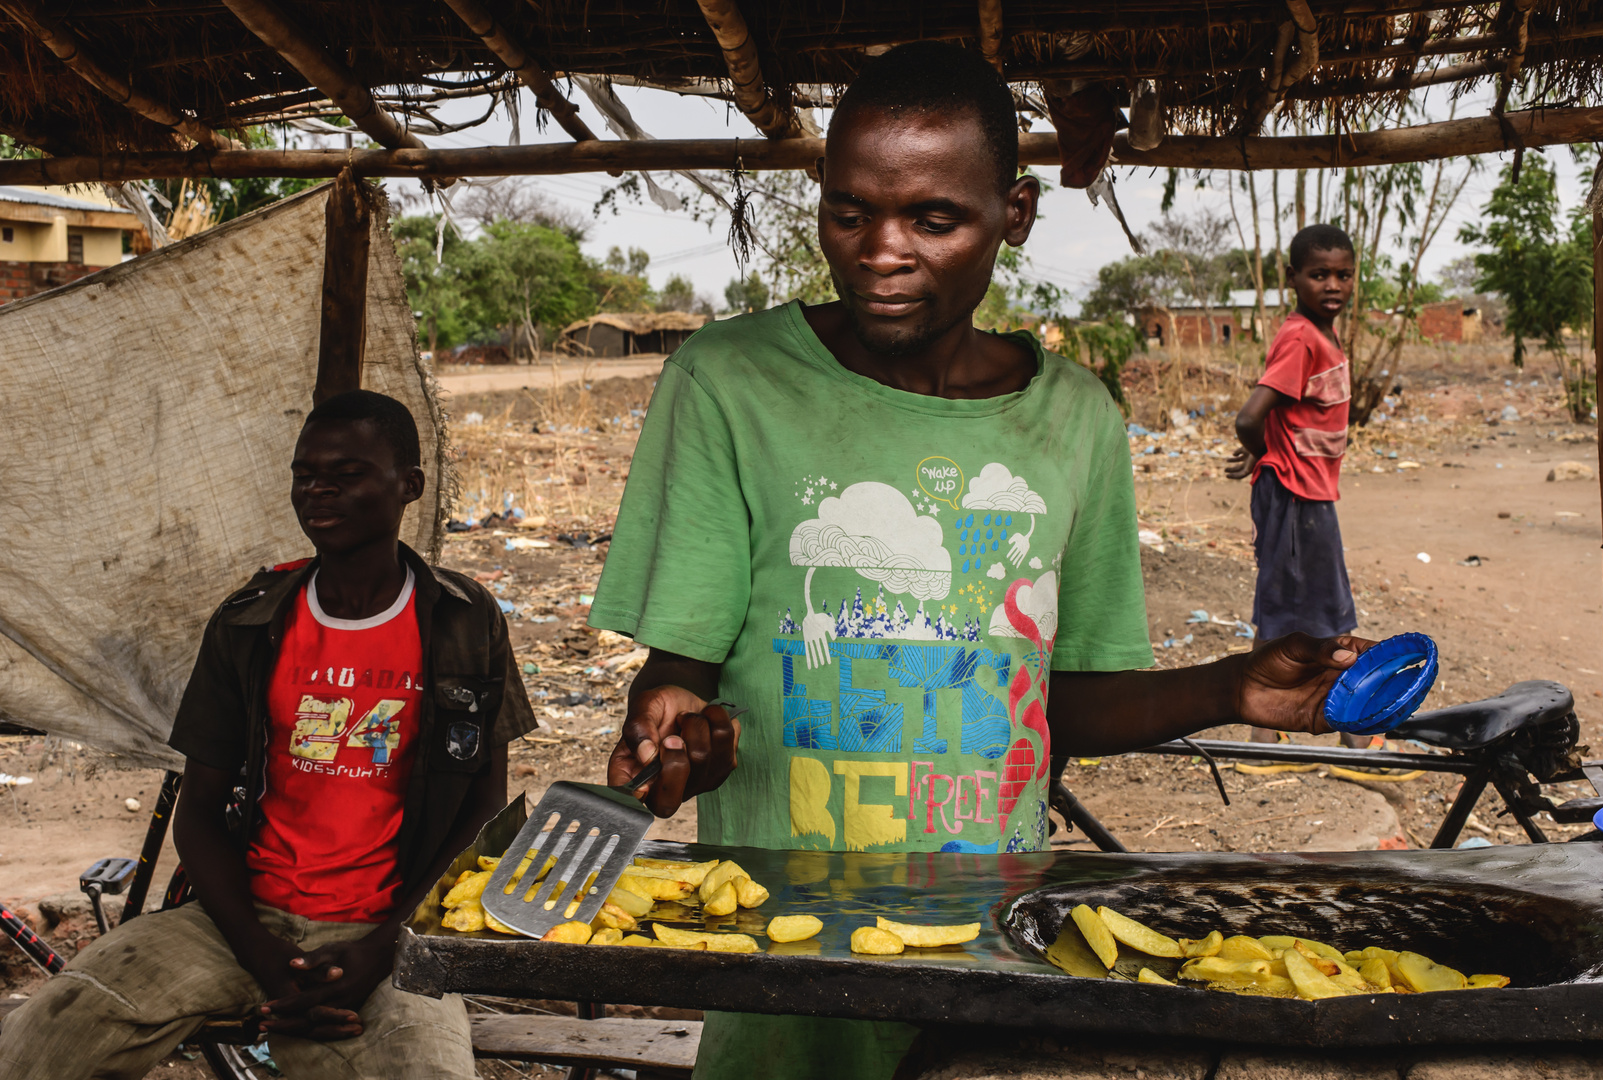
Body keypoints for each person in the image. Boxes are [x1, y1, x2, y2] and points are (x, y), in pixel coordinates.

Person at [591, 42, 1371, 1080]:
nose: (881, 251)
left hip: (991, 954)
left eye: (934, 218)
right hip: (785, 976)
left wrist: (1233, 687)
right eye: (849, 212)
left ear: (1013, 214)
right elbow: (679, 674)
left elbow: (1063, 701)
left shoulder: (1074, 421)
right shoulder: (728, 384)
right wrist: (680, 735)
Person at [0, 390, 536, 1080]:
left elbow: (484, 808)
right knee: (46, 1039)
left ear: (410, 485)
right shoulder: (251, 622)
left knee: (429, 1069)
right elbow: (196, 814)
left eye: (345, 475)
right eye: (304, 474)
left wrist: (388, 947)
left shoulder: (465, 619)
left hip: (390, 930)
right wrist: (266, 961)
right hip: (237, 924)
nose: (318, 491)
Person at [1224, 226, 1366, 748]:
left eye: (1343, 274)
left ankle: (1279, 735)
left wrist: (1269, 451)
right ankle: (1327, 737)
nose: (1332, 284)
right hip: (1294, 497)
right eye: (1318, 274)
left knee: (1301, 608)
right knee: (1313, 612)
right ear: (1293, 279)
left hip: (1306, 494)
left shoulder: (1322, 336)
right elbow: (1249, 417)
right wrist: (1265, 453)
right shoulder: (1302, 337)